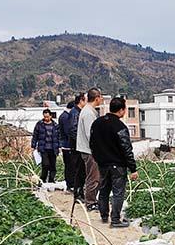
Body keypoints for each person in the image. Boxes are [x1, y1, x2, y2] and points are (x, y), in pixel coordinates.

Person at [89, 97, 138, 227]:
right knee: (118, 192)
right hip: (118, 165)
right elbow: (126, 148)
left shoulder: (97, 123)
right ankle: (115, 220)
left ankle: (104, 216)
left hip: (102, 163)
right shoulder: (120, 126)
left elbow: (92, 144)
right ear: (122, 110)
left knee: (104, 189)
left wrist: (97, 158)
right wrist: (133, 168)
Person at [77, 87, 103, 210]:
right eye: (101, 97)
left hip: (89, 149)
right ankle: (90, 202)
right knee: (93, 177)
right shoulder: (88, 113)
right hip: (89, 150)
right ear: (97, 98)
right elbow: (90, 134)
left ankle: (92, 200)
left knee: (94, 176)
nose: (101, 99)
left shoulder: (89, 111)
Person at [59, 93, 87, 199]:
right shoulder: (75, 113)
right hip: (76, 146)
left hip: (77, 145)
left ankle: (78, 191)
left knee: (80, 170)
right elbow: (73, 130)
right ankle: (77, 192)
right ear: (81, 100)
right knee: (77, 169)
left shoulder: (77, 112)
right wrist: (81, 142)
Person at [31, 108, 60, 183]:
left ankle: (51, 180)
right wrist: (33, 146)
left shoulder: (55, 125)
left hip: (53, 148)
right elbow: (35, 135)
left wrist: (59, 146)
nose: (46, 118)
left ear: (50, 116)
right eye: (44, 117)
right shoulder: (39, 124)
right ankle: (43, 180)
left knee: (53, 166)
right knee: (45, 165)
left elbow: (58, 137)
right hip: (43, 148)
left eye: (47, 117)